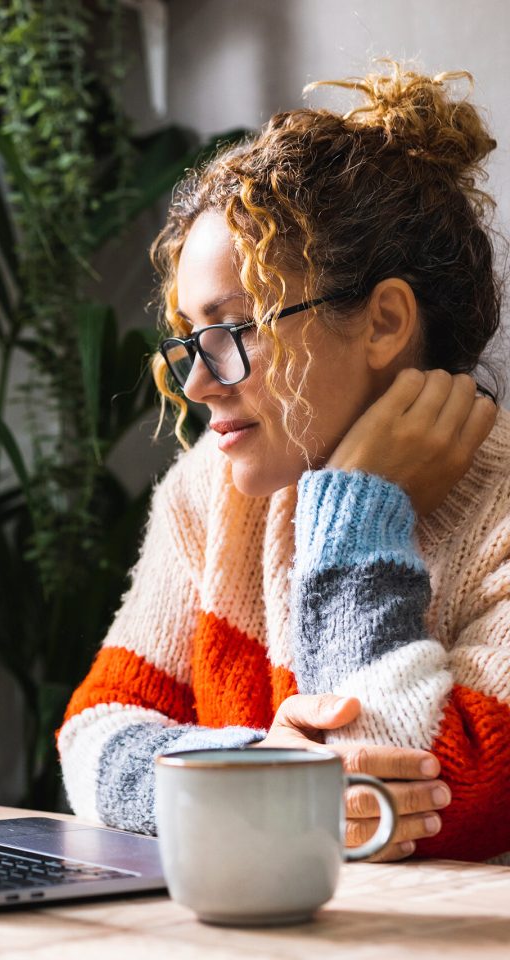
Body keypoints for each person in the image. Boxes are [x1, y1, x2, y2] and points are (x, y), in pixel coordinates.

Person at [58, 61, 510, 863]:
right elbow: (91, 736)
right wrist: (262, 766)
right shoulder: (208, 495)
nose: (198, 381)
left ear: (384, 322)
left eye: (235, 330)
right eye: (191, 339)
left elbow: (407, 808)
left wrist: (359, 512)